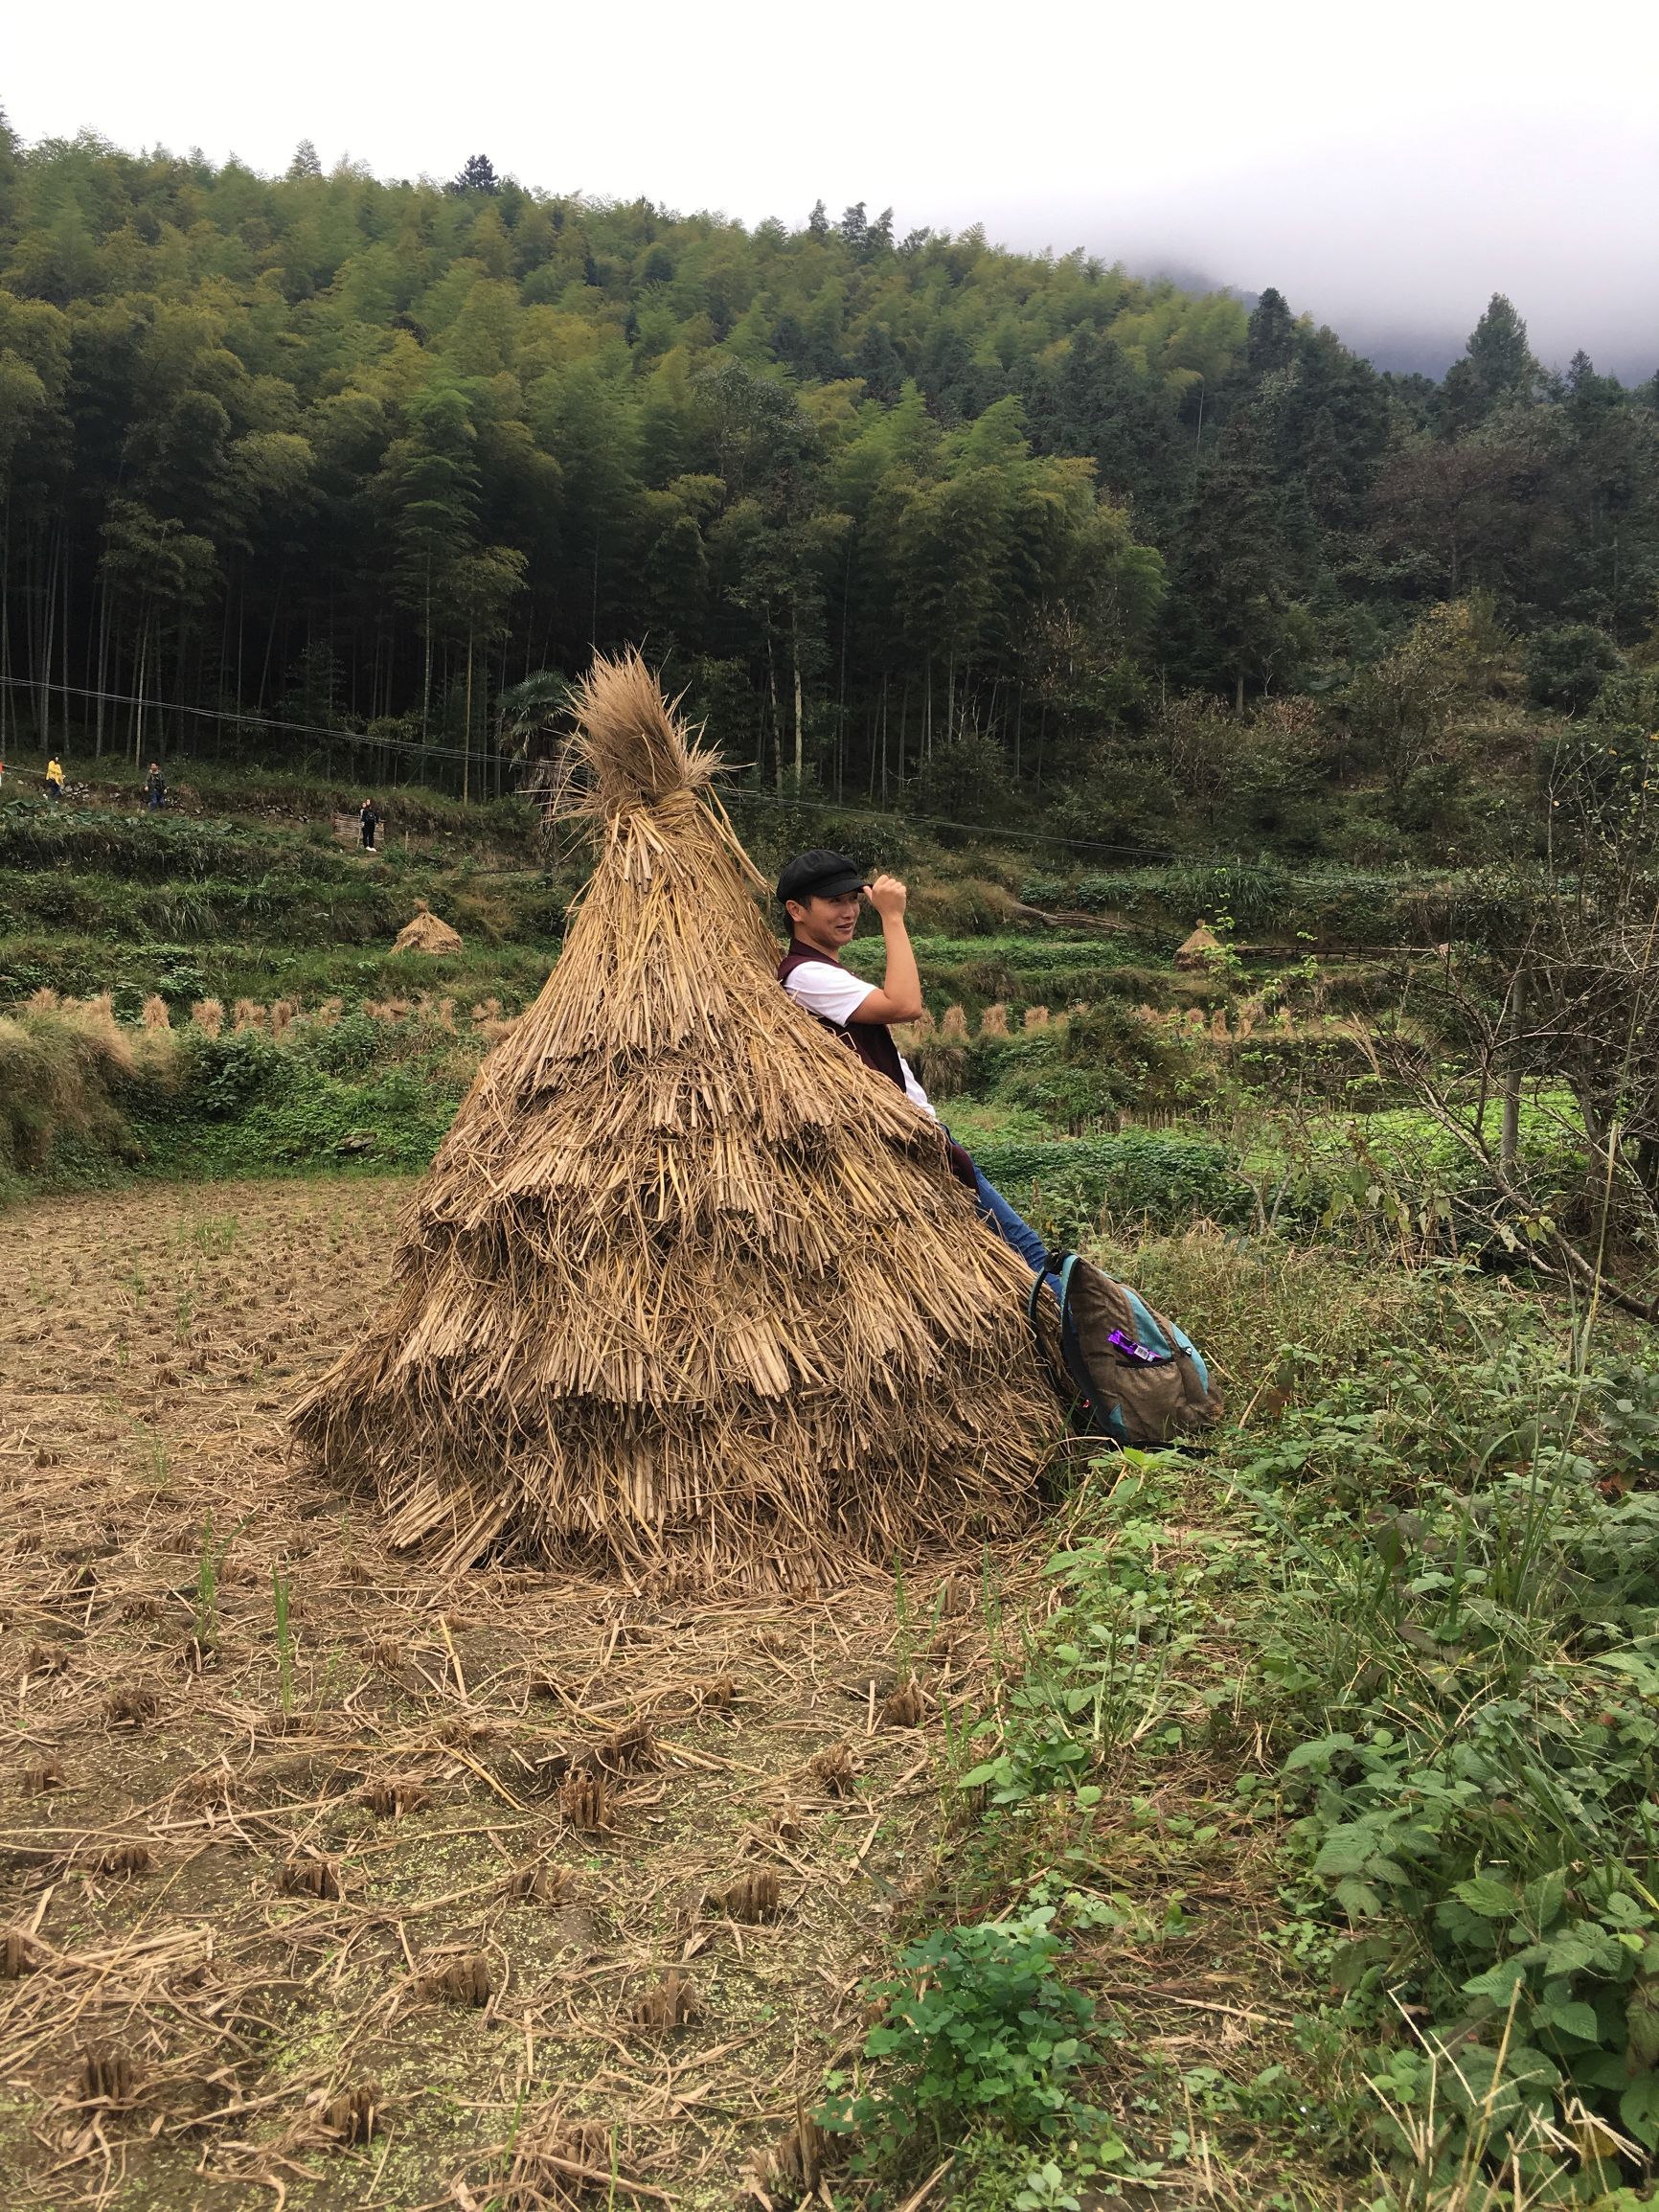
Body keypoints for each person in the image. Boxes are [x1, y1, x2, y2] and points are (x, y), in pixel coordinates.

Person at [776, 848, 1054, 1283]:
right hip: (914, 1135)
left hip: (922, 1131)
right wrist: (893, 918)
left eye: (853, 899)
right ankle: (1105, 1346)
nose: (849, 911)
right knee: (1030, 1256)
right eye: (834, 902)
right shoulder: (805, 975)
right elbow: (906, 1005)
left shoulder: (823, 970)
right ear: (796, 910)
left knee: (1024, 1257)